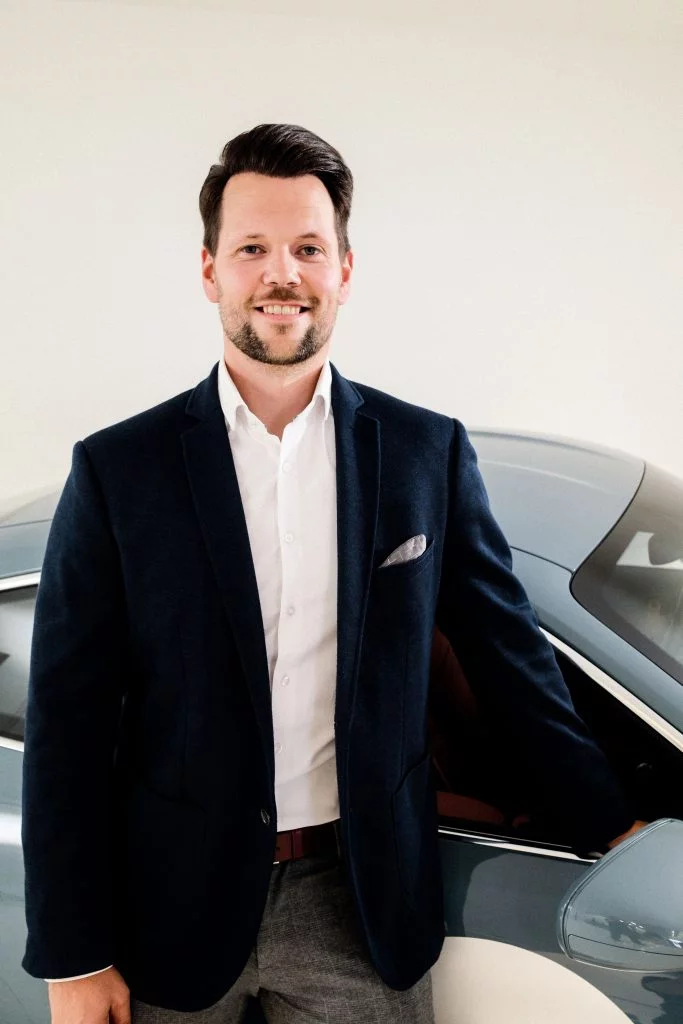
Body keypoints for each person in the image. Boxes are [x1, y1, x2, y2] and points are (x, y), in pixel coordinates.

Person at [21, 123, 644, 1024]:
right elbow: (67, 723)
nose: (282, 273)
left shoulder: (425, 453)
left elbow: (510, 658)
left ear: (344, 271)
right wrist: (73, 956)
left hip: (360, 905)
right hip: (166, 911)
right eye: (252, 248)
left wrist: (609, 823)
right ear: (210, 272)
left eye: (308, 248)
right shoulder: (119, 472)